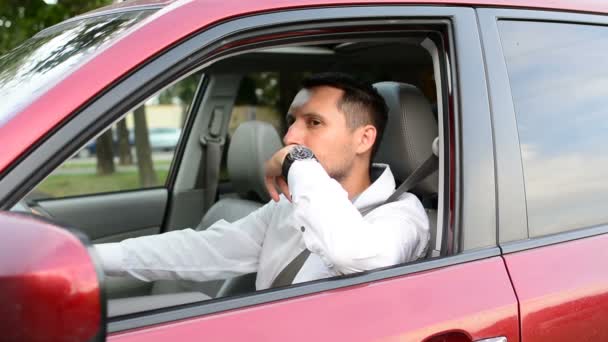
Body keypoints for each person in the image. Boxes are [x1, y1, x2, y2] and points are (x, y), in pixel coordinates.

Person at [96, 72, 429, 291]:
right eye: (291, 122)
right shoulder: (288, 208)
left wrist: (296, 160)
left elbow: (355, 256)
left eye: (314, 122)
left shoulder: (403, 217)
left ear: (363, 139)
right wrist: (92, 258)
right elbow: (204, 250)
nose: (290, 136)